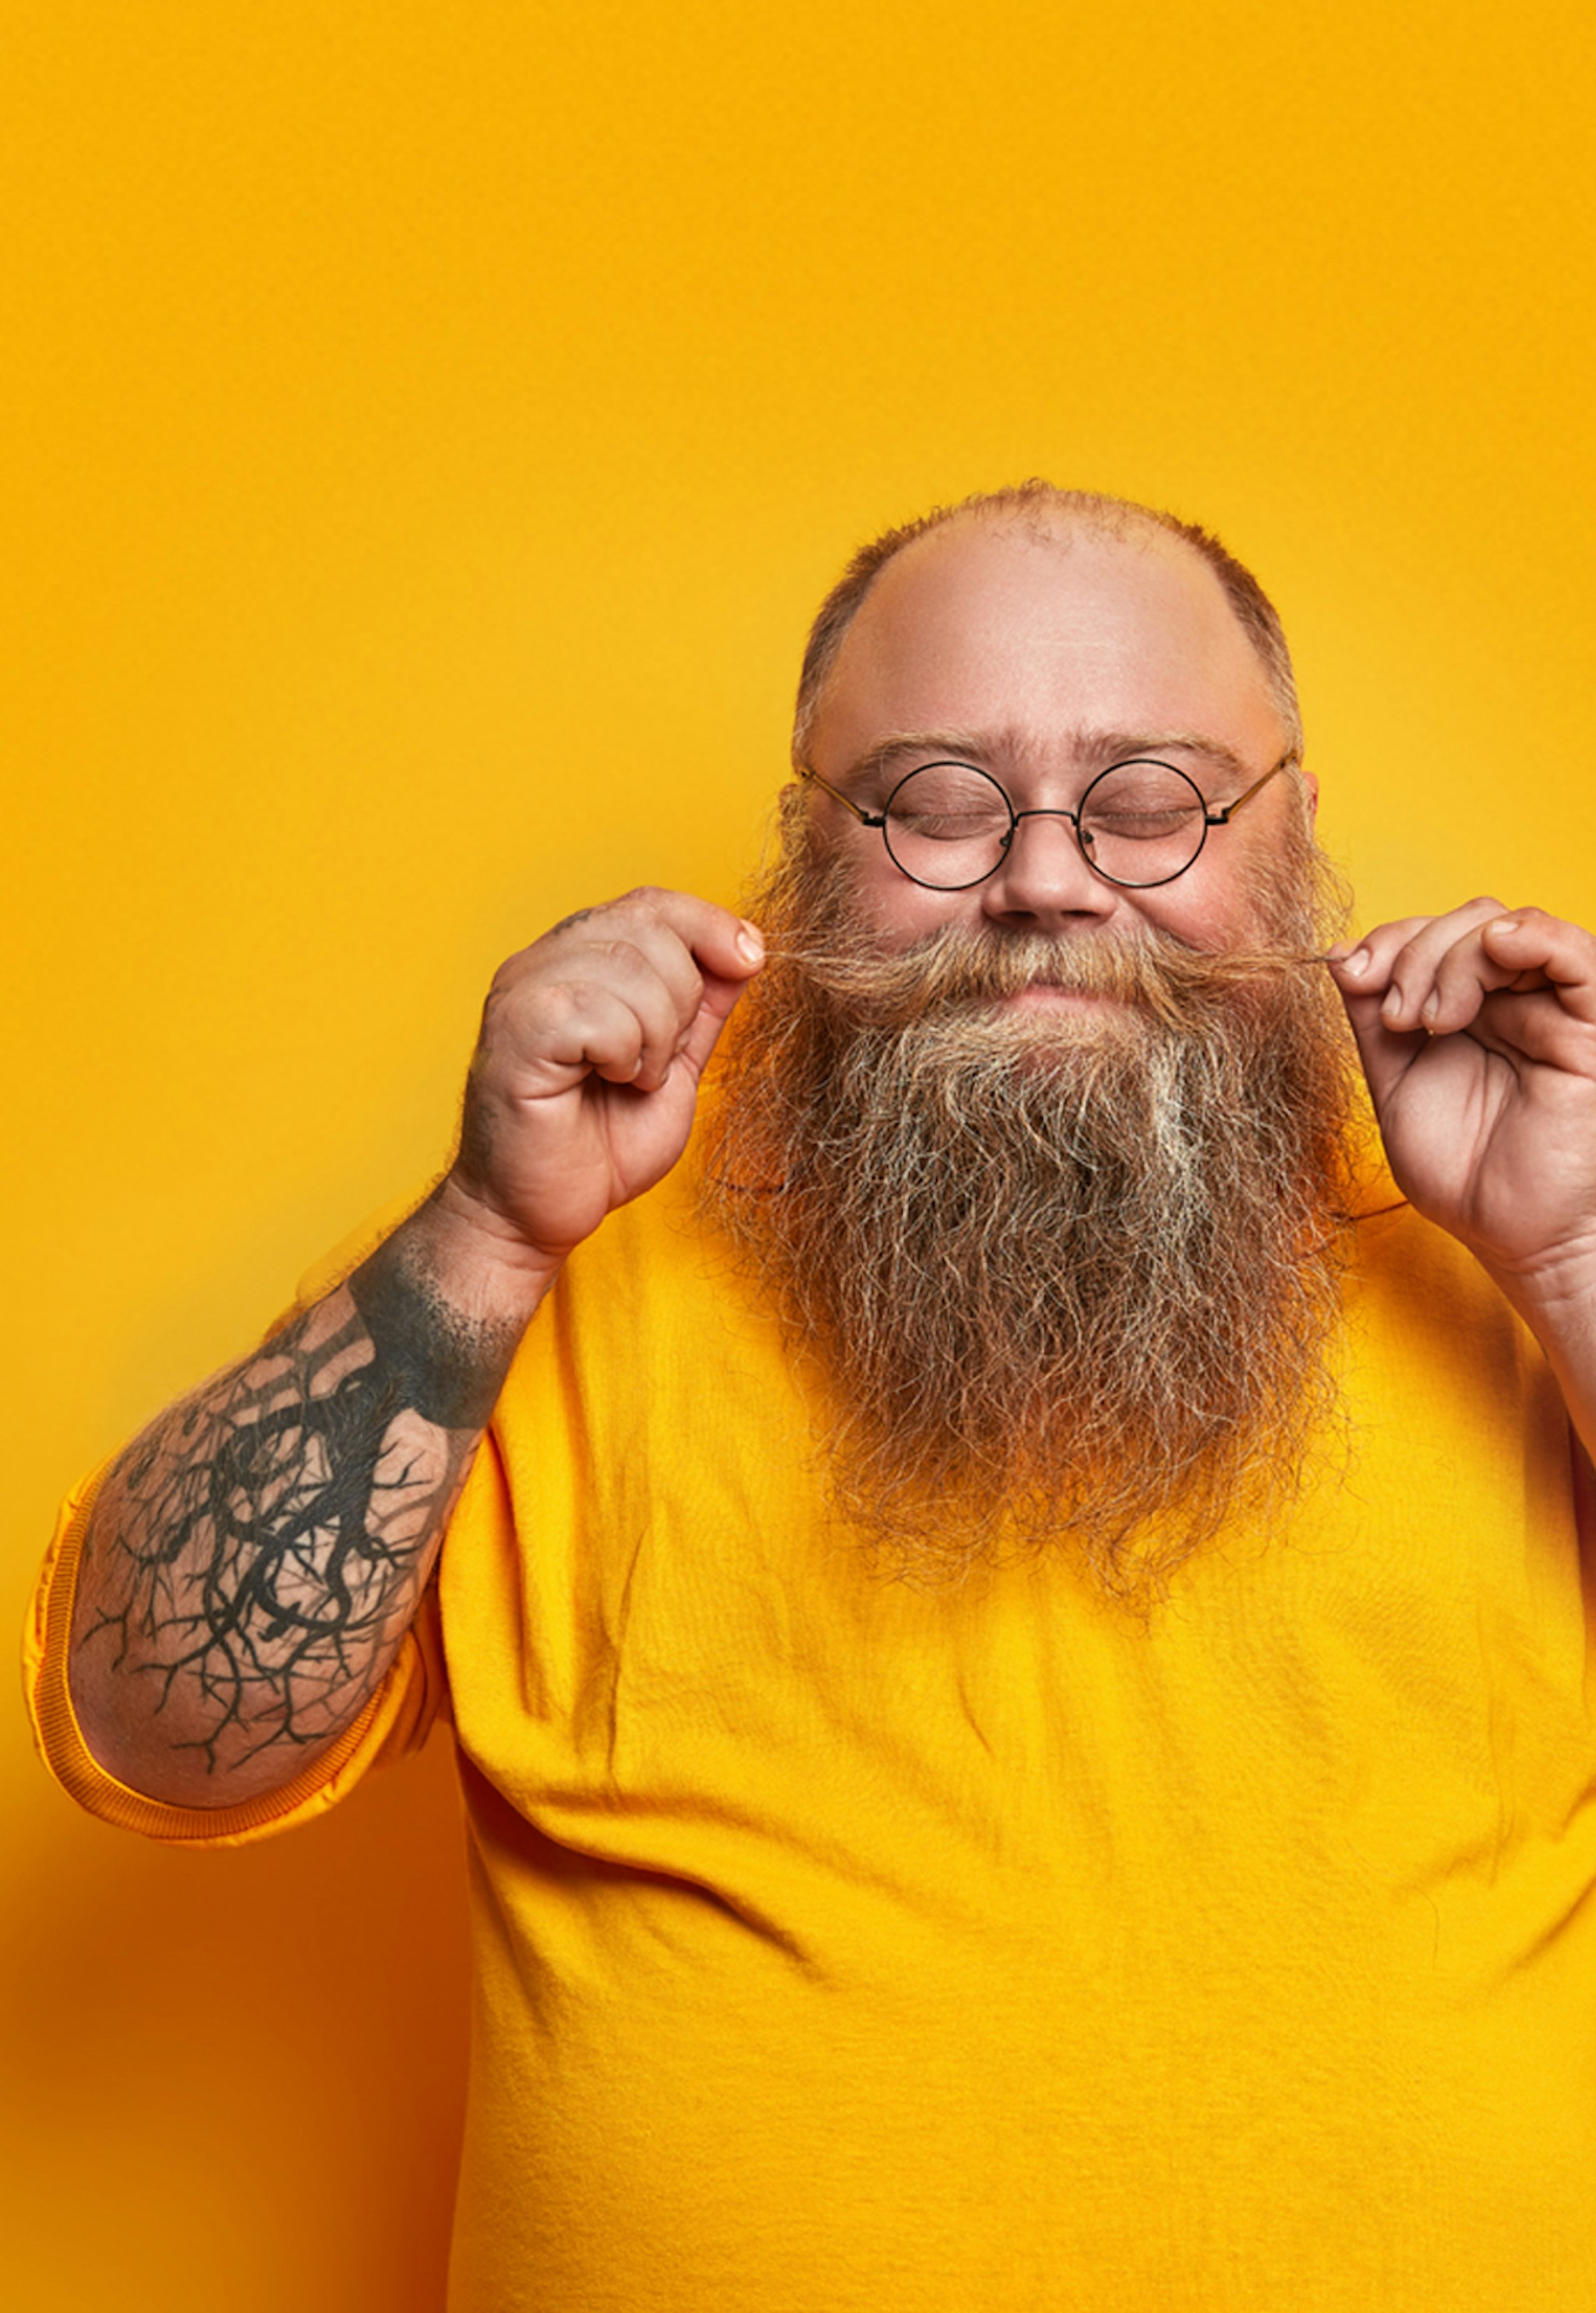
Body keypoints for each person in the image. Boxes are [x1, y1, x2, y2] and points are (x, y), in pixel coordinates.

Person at [25, 482, 1596, 2311]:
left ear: (1297, 829)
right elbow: (148, 1729)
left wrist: (1569, 1256)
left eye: (1150, 797)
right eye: (934, 799)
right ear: (802, 845)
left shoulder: (1504, 1241)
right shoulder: (576, 1252)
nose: (1042, 876)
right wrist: (480, 1230)